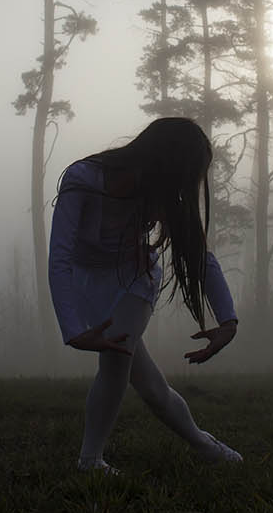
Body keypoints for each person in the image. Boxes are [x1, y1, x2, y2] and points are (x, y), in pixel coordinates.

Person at [48, 117, 242, 473]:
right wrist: (73, 329)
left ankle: (90, 460)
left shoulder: (163, 194)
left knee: (116, 361)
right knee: (150, 385)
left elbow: (199, 255)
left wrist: (228, 320)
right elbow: (59, 256)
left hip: (135, 278)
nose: (183, 189)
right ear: (165, 163)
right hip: (87, 284)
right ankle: (203, 442)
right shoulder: (82, 180)